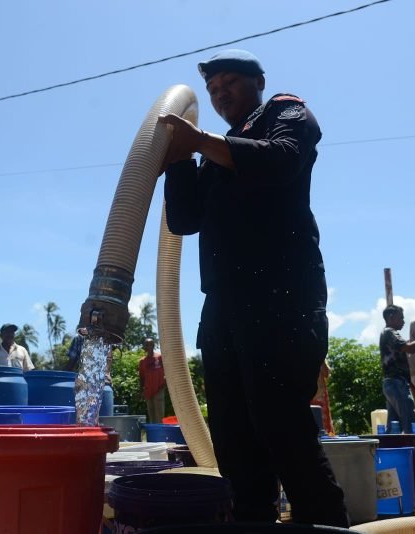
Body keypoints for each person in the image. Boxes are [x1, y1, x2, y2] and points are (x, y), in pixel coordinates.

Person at [160, 49, 348, 526]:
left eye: (230, 85)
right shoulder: (219, 148)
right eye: (213, 90)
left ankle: (322, 523)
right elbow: (184, 219)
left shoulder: (286, 112)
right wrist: (180, 160)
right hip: (224, 306)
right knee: (234, 436)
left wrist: (197, 141)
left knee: (280, 426)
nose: (220, 96)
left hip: (282, 296)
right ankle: (253, 522)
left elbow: (282, 162)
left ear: (258, 82)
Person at [379, 305, 415, 433]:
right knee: (411, 423)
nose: (403, 321)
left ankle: (394, 451)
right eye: (401, 318)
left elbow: (399, 364)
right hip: (396, 384)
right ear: (391, 318)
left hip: (393, 383)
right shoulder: (389, 332)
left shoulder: (388, 333)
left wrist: (412, 386)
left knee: (394, 427)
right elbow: (410, 348)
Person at [138, 338, 165, 423]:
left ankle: (160, 434)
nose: (146, 346)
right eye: (145, 344)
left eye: (149, 344)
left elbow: (167, 371)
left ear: (153, 345)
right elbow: (141, 377)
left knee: (159, 415)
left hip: (159, 389)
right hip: (148, 391)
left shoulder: (160, 357)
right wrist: (141, 390)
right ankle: (153, 434)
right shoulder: (142, 361)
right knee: (151, 415)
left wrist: (164, 386)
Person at [310, 361, 335, 435]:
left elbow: (326, 373)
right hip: (311, 393)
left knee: (324, 424)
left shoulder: (319, 355)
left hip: (320, 394)